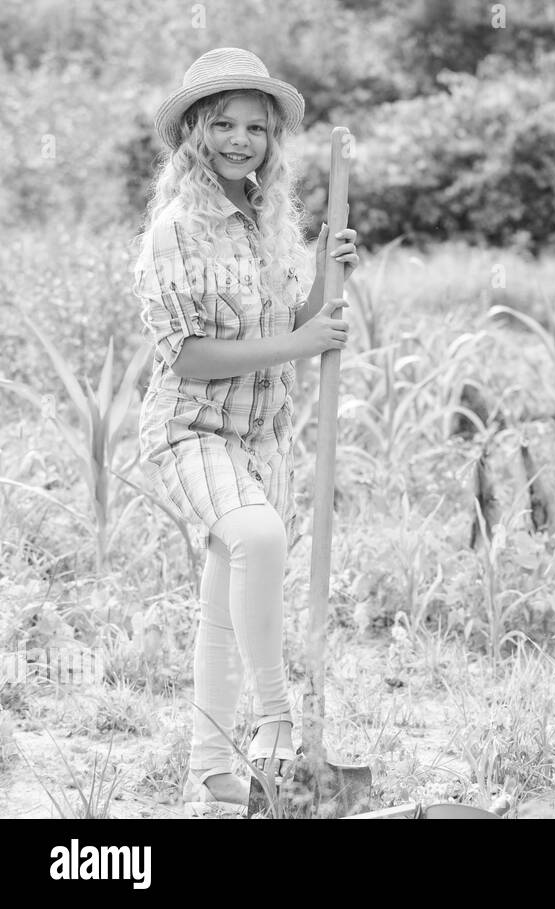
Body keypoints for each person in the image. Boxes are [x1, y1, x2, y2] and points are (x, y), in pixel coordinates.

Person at [133, 47, 360, 815]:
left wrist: (327, 272)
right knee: (258, 538)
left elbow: (296, 322)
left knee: (227, 601)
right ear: (195, 132)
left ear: (272, 139)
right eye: (224, 124)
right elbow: (189, 356)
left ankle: (212, 774)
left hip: (259, 439)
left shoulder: (269, 222)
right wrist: (300, 343)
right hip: (190, 429)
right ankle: (277, 723)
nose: (241, 140)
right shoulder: (176, 232)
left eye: (256, 128)